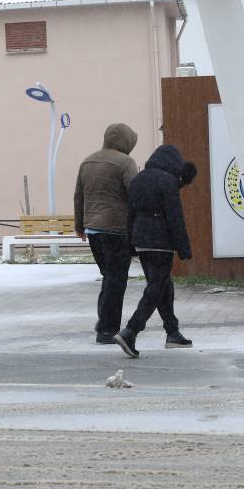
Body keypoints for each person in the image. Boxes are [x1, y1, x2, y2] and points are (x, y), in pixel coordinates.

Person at [114, 145, 196, 359]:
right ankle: (131, 331)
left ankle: (172, 332)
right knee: (155, 289)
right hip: (161, 242)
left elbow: (129, 214)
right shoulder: (168, 182)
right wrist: (184, 248)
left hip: (141, 240)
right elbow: (174, 217)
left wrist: (130, 242)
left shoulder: (138, 180)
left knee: (163, 287)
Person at [74, 123, 139, 344]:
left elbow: (78, 195)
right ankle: (107, 329)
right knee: (116, 279)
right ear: (127, 141)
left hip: (93, 229)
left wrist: (80, 226)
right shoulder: (126, 163)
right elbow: (135, 195)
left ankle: (104, 320)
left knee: (109, 277)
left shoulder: (88, 161)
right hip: (117, 229)